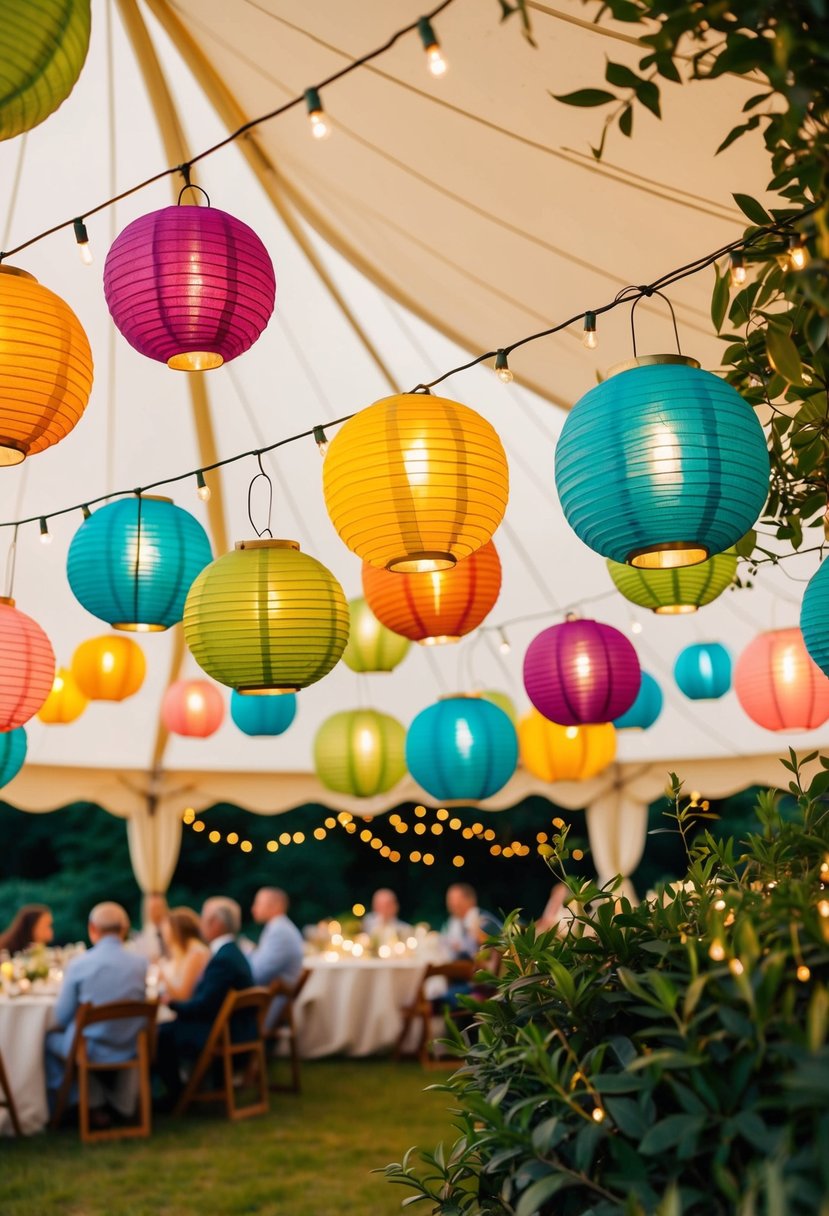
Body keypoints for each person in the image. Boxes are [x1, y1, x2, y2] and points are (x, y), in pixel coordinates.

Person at [44, 902, 147, 1117]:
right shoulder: (141, 963)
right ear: (124, 928)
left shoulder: (80, 965)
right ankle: (115, 1103)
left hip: (89, 1048)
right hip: (132, 1044)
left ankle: (79, 1104)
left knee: (46, 1040)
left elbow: (61, 1017)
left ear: (93, 928)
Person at [153, 897, 255, 1109]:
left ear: (216, 924)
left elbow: (203, 1006)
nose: (200, 924)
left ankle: (177, 1096)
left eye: (204, 919)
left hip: (223, 1034)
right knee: (164, 1029)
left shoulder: (223, 959)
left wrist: (172, 1004)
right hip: (237, 1029)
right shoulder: (232, 952)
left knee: (160, 1034)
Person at [247, 887, 304, 1031]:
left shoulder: (280, 932)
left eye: (258, 903)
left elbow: (259, 973)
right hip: (271, 998)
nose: (253, 908)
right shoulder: (278, 928)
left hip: (269, 1003)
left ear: (276, 906)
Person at [159, 907, 209, 1001]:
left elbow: (183, 996)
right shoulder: (186, 953)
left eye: (166, 931)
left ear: (176, 930)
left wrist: (163, 977)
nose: (164, 937)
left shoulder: (196, 953)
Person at [442, 884, 501, 960]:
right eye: (449, 899)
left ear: (470, 900)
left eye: (455, 899)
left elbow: (500, 946)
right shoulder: (454, 922)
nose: (451, 903)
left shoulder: (482, 920)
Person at [131, 892, 169, 962]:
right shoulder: (146, 932)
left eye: (158, 908)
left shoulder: (170, 929)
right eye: (153, 909)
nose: (156, 912)